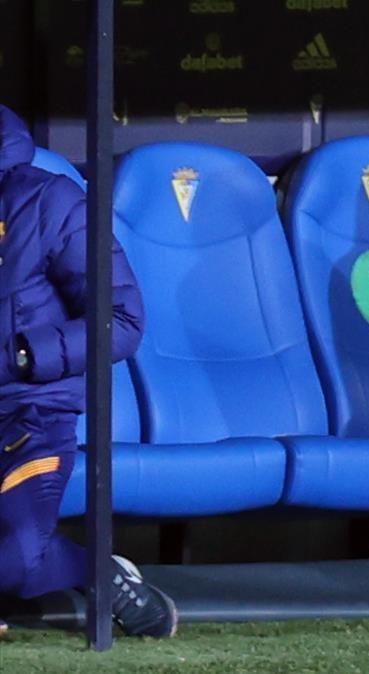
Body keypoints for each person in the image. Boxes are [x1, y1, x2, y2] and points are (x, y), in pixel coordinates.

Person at [0, 104, 177, 637]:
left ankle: (103, 573)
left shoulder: (49, 199)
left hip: (28, 417)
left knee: (16, 557)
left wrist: (21, 356)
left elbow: (121, 320)